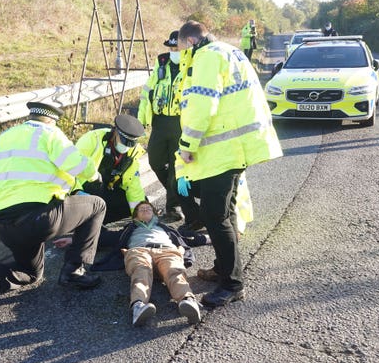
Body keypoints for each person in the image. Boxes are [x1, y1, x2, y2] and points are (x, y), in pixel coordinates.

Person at [175, 20, 283, 308]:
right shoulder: (230, 51)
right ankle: (224, 269)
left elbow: (202, 103)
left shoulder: (207, 56)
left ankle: (233, 284)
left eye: (181, 46)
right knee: (226, 211)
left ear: (190, 41)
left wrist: (187, 145)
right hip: (235, 147)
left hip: (221, 151)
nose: (181, 52)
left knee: (214, 216)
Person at [0, 101, 107, 312]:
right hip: (38, 218)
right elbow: (74, 162)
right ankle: (74, 271)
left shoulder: (4, 138)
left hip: (5, 225)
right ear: (51, 120)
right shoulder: (50, 133)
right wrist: (95, 175)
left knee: (31, 274)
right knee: (97, 205)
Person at [56, 200, 208, 326]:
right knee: (141, 272)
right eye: (142, 209)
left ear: (155, 214)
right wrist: (72, 240)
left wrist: (210, 238)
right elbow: (104, 237)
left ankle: (188, 301)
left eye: (149, 208)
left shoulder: (165, 228)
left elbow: (187, 239)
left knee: (174, 271)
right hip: (139, 251)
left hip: (168, 251)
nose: (146, 209)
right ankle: (138, 306)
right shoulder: (129, 228)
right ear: (136, 216)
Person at [138, 30, 185, 223]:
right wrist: (141, 120)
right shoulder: (162, 61)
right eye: (171, 47)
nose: (174, 51)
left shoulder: (192, 64)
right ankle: (182, 198)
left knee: (176, 167)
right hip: (159, 121)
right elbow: (148, 90)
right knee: (155, 162)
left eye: (177, 48)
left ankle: (173, 207)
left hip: (180, 123)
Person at [75, 114, 146, 224]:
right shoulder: (92, 140)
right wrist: (76, 191)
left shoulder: (132, 152)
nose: (126, 146)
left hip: (107, 189)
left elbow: (133, 186)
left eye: (130, 144)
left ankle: (99, 220)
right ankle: (84, 220)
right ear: (115, 132)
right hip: (84, 189)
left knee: (142, 204)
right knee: (94, 195)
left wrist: (141, 217)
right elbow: (70, 171)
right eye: (124, 141)